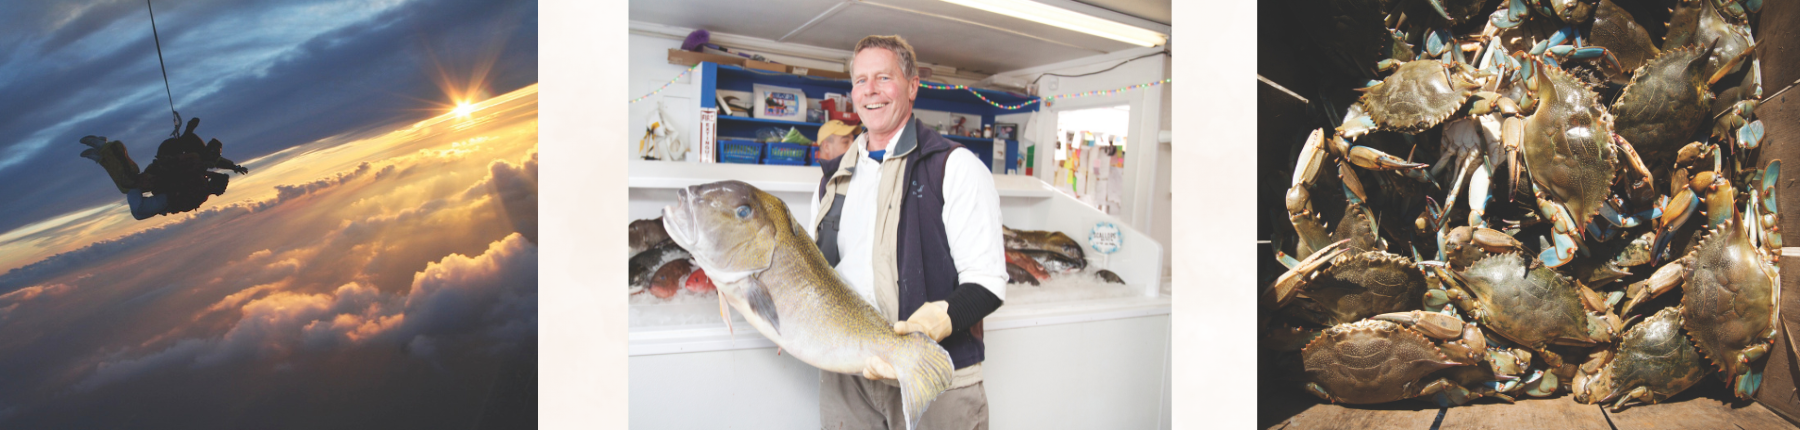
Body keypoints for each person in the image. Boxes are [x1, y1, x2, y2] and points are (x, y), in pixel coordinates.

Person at [809, 35, 1007, 429]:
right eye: (861, 80)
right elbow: (819, 273)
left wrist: (933, 322)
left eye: (884, 77)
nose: (871, 91)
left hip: (931, 375)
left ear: (912, 85)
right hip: (848, 375)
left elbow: (987, 284)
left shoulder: (954, 166)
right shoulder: (833, 180)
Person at [143, 117, 249, 214]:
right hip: (168, 164)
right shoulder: (197, 156)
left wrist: (235, 167)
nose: (210, 163)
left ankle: (150, 180)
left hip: (169, 178)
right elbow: (187, 139)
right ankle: (150, 179)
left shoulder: (201, 171)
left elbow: (221, 162)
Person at [78, 135, 168, 220]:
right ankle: (107, 150)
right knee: (131, 186)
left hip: (172, 192)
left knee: (127, 187)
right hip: (172, 190)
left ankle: (105, 156)